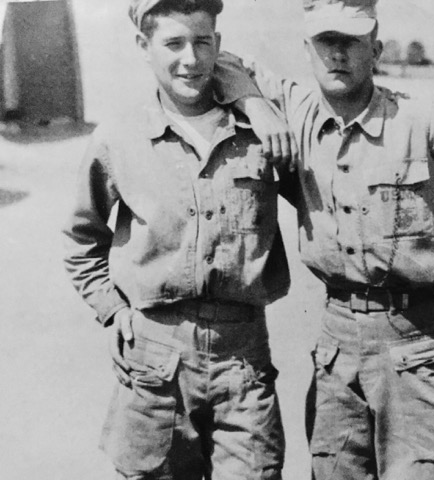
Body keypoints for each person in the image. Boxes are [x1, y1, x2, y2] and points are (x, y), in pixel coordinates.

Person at [221, 0, 434, 478]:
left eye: (350, 42)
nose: (337, 55)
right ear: (306, 49)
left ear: (376, 47)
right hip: (337, 348)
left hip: (418, 341)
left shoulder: (420, 119)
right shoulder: (296, 110)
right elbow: (226, 62)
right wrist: (256, 108)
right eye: (325, 42)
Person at [62, 1, 295, 479]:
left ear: (219, 46)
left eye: (202, 41)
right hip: (154, 364)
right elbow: (81, 235)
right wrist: (112, 307)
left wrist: (254, 101)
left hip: (243, 361)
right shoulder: (119, 137)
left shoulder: (263, 133)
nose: (190, 58)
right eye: (173, 43)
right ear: (142, 47)